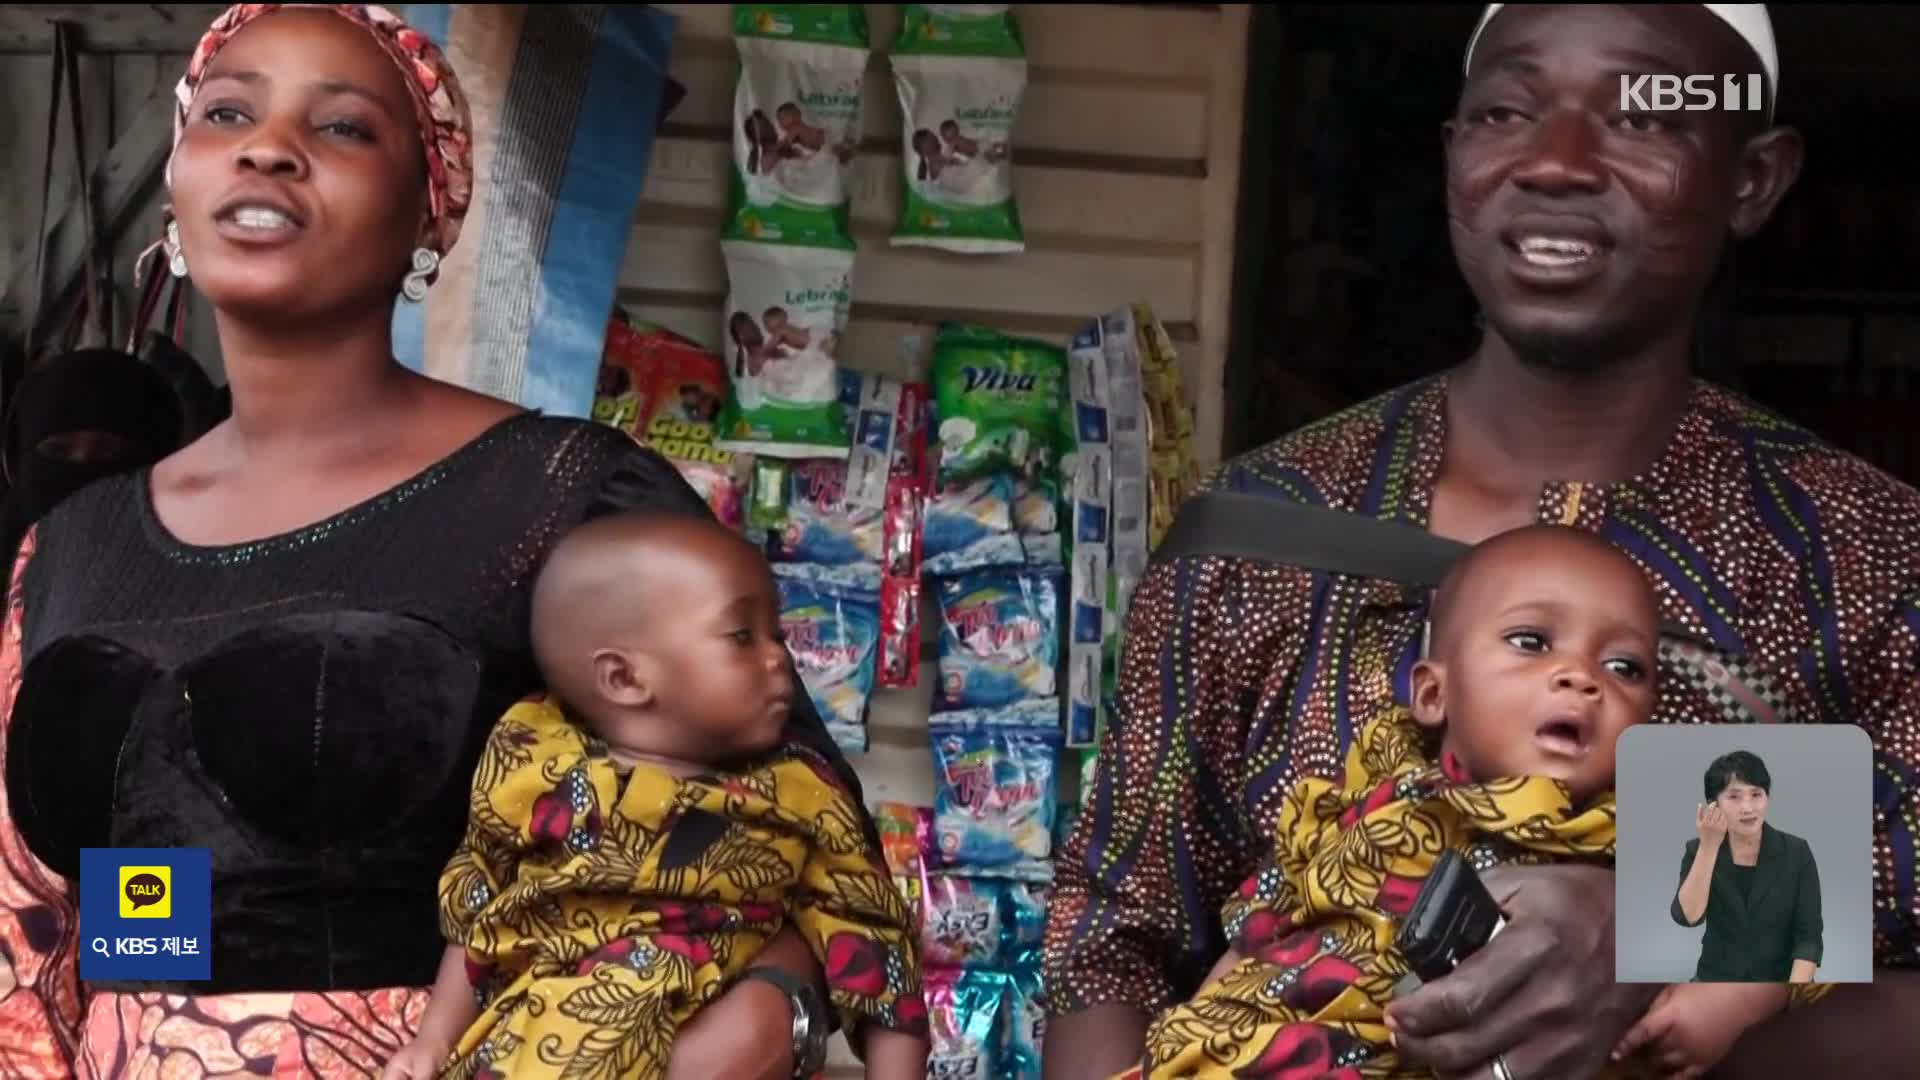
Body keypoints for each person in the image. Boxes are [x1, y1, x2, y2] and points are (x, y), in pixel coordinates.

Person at [1043, 6, 1920, 1080]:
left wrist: (1658, 956)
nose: (1555, 162)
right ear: (1456, 153)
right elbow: (1107, 943)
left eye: (1645, 117)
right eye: (1507, 108)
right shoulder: (1257, 532)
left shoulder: (1861, 556)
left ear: (1752, 179)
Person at [0, 7, 854, 1078]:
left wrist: (771, 1005)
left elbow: (804, 838)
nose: (269, 146)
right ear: (177, 186)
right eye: (228, 112)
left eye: (346, 127)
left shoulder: (558, 499)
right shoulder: (70, 551)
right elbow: (28, 935)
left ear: (430, 213)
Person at [383, 514, 927, 1079]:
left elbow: (881, 960)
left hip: (705, 1033)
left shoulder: (801, 791)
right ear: (624, 679)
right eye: (741, 636)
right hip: (528, 1049)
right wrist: (434, 1039)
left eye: (778, 636)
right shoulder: (533, 754)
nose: (777, 659)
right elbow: (478, 912)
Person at [1670, 751, 1822, 983]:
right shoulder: (1697, 850)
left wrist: (1793, 995)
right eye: (1734, 797)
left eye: (1756, 795)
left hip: (1780, 981)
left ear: (1767, 797)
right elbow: (1688, 917)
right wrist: (1709, 846)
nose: (1748, 807)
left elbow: (1808, 937)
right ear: (1714, 804)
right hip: (1716, 979)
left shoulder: (1796, 851)